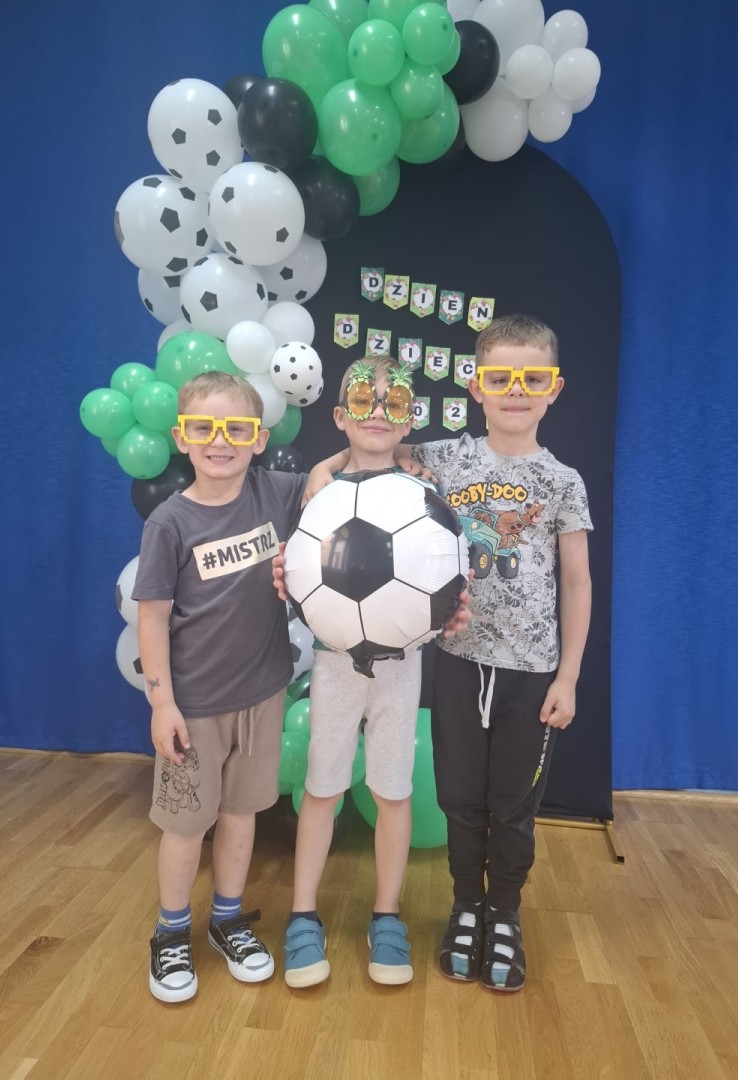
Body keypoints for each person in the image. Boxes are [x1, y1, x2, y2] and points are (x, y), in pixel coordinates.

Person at [133, 370, 348, 1003]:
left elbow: (332, 473)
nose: (219, 441)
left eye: (237, 429)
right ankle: (171, 931)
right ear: (182, 437)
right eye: (203, 428)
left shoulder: (274, 491)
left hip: (263, 694)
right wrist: (162, 702)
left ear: (259, 439)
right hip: (194, 705)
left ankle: (227, 918)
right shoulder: (169, 522)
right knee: (184, 824)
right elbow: (152, 616)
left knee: (241, 814)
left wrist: (339, 463)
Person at [400, 314, 593, 992]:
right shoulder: (447, 459)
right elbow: (372, 447)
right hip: (458, 662)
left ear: (554, 389)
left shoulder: (563, 481)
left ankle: (504, 912)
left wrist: (568, 676)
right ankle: (465, 906)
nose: (516, 390)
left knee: (512, 806)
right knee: (460, 799)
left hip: (532, 674)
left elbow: (577, 581)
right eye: (501, 377)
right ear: (475, 385)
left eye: (532, 379)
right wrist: (324, 469)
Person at [277, 356, 470, 990]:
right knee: (322, 789)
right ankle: (302, 915)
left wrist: (449, 601)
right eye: (364, 400)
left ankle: (386, 917)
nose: (379, 413)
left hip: (401, 666)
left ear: (411, 417)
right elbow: (299, 566)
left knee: (393, 791)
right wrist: (291, 577)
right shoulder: (321, 493)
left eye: (395, 403)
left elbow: (446, 565)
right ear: (340, 415)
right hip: (335, 664)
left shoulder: (423, 491)